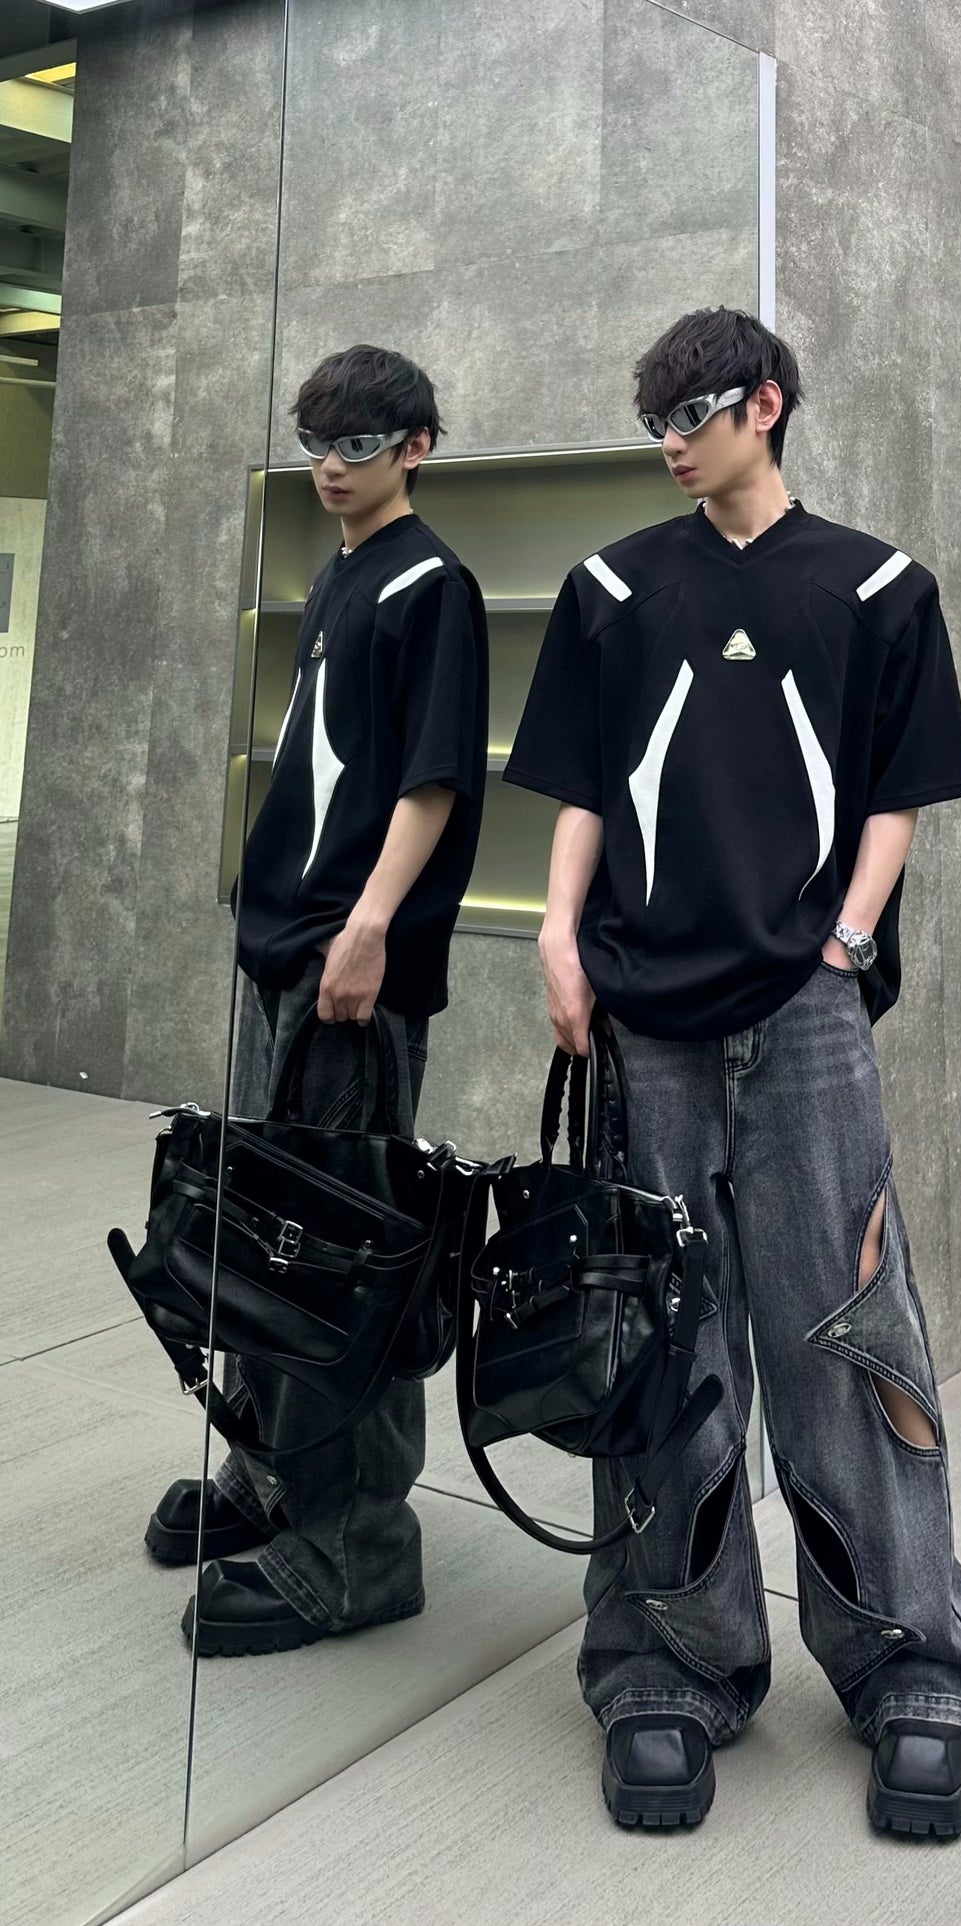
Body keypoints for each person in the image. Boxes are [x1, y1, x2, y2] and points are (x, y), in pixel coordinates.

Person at [505, 308, 961, 1836]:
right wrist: (556, 936)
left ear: (766, 405)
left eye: (696, 411)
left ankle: (917, 1666)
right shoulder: (611, 588)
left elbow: (896, 796)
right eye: (655, 416)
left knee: (847, 1331)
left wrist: (840, 946)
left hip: (805, 1016)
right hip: (642, 1015)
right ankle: (667, 1662)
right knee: (660, 1340)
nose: (672, 439)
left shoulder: (877, 586)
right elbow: (583, 788)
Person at [145, 344, 489, 1656]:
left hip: (351, 968)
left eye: (358, 444)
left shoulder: (432, 585)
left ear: (417, 447)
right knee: (262, 1238)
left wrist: (368, 928)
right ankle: (273, 1475)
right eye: (317, 444)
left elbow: (433, 781)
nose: (331, 467)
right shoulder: (341, 574)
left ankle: (356, 1548)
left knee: (345, 1258)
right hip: (287, 953)